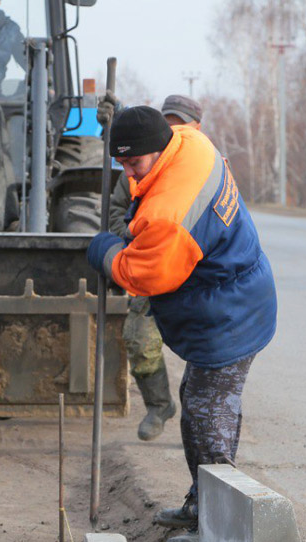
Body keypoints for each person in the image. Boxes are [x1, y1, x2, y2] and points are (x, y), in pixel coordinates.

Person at [86, 106, 277, 542]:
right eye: (121, 164)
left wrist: (105, 250)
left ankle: (221, 531)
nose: (128, 174)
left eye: (134, 164)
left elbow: (143, 276)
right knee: (197, 406)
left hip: (230, 313)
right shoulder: (187, 141)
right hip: (229, 298)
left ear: (158, 148)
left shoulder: (170, 211)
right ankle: (201, 504)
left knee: (210, 419)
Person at [102, 94, 204, 442]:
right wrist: (131, 241)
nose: (174, 130)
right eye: (168, 122)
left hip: (196, 275)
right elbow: (117, 211)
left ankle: (203, 426)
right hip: (151, 266)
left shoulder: (203, 165)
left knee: (206, 357)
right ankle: (159, 405)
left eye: (181, 124)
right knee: (139, 340)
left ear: (196, 129)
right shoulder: (136, 169)